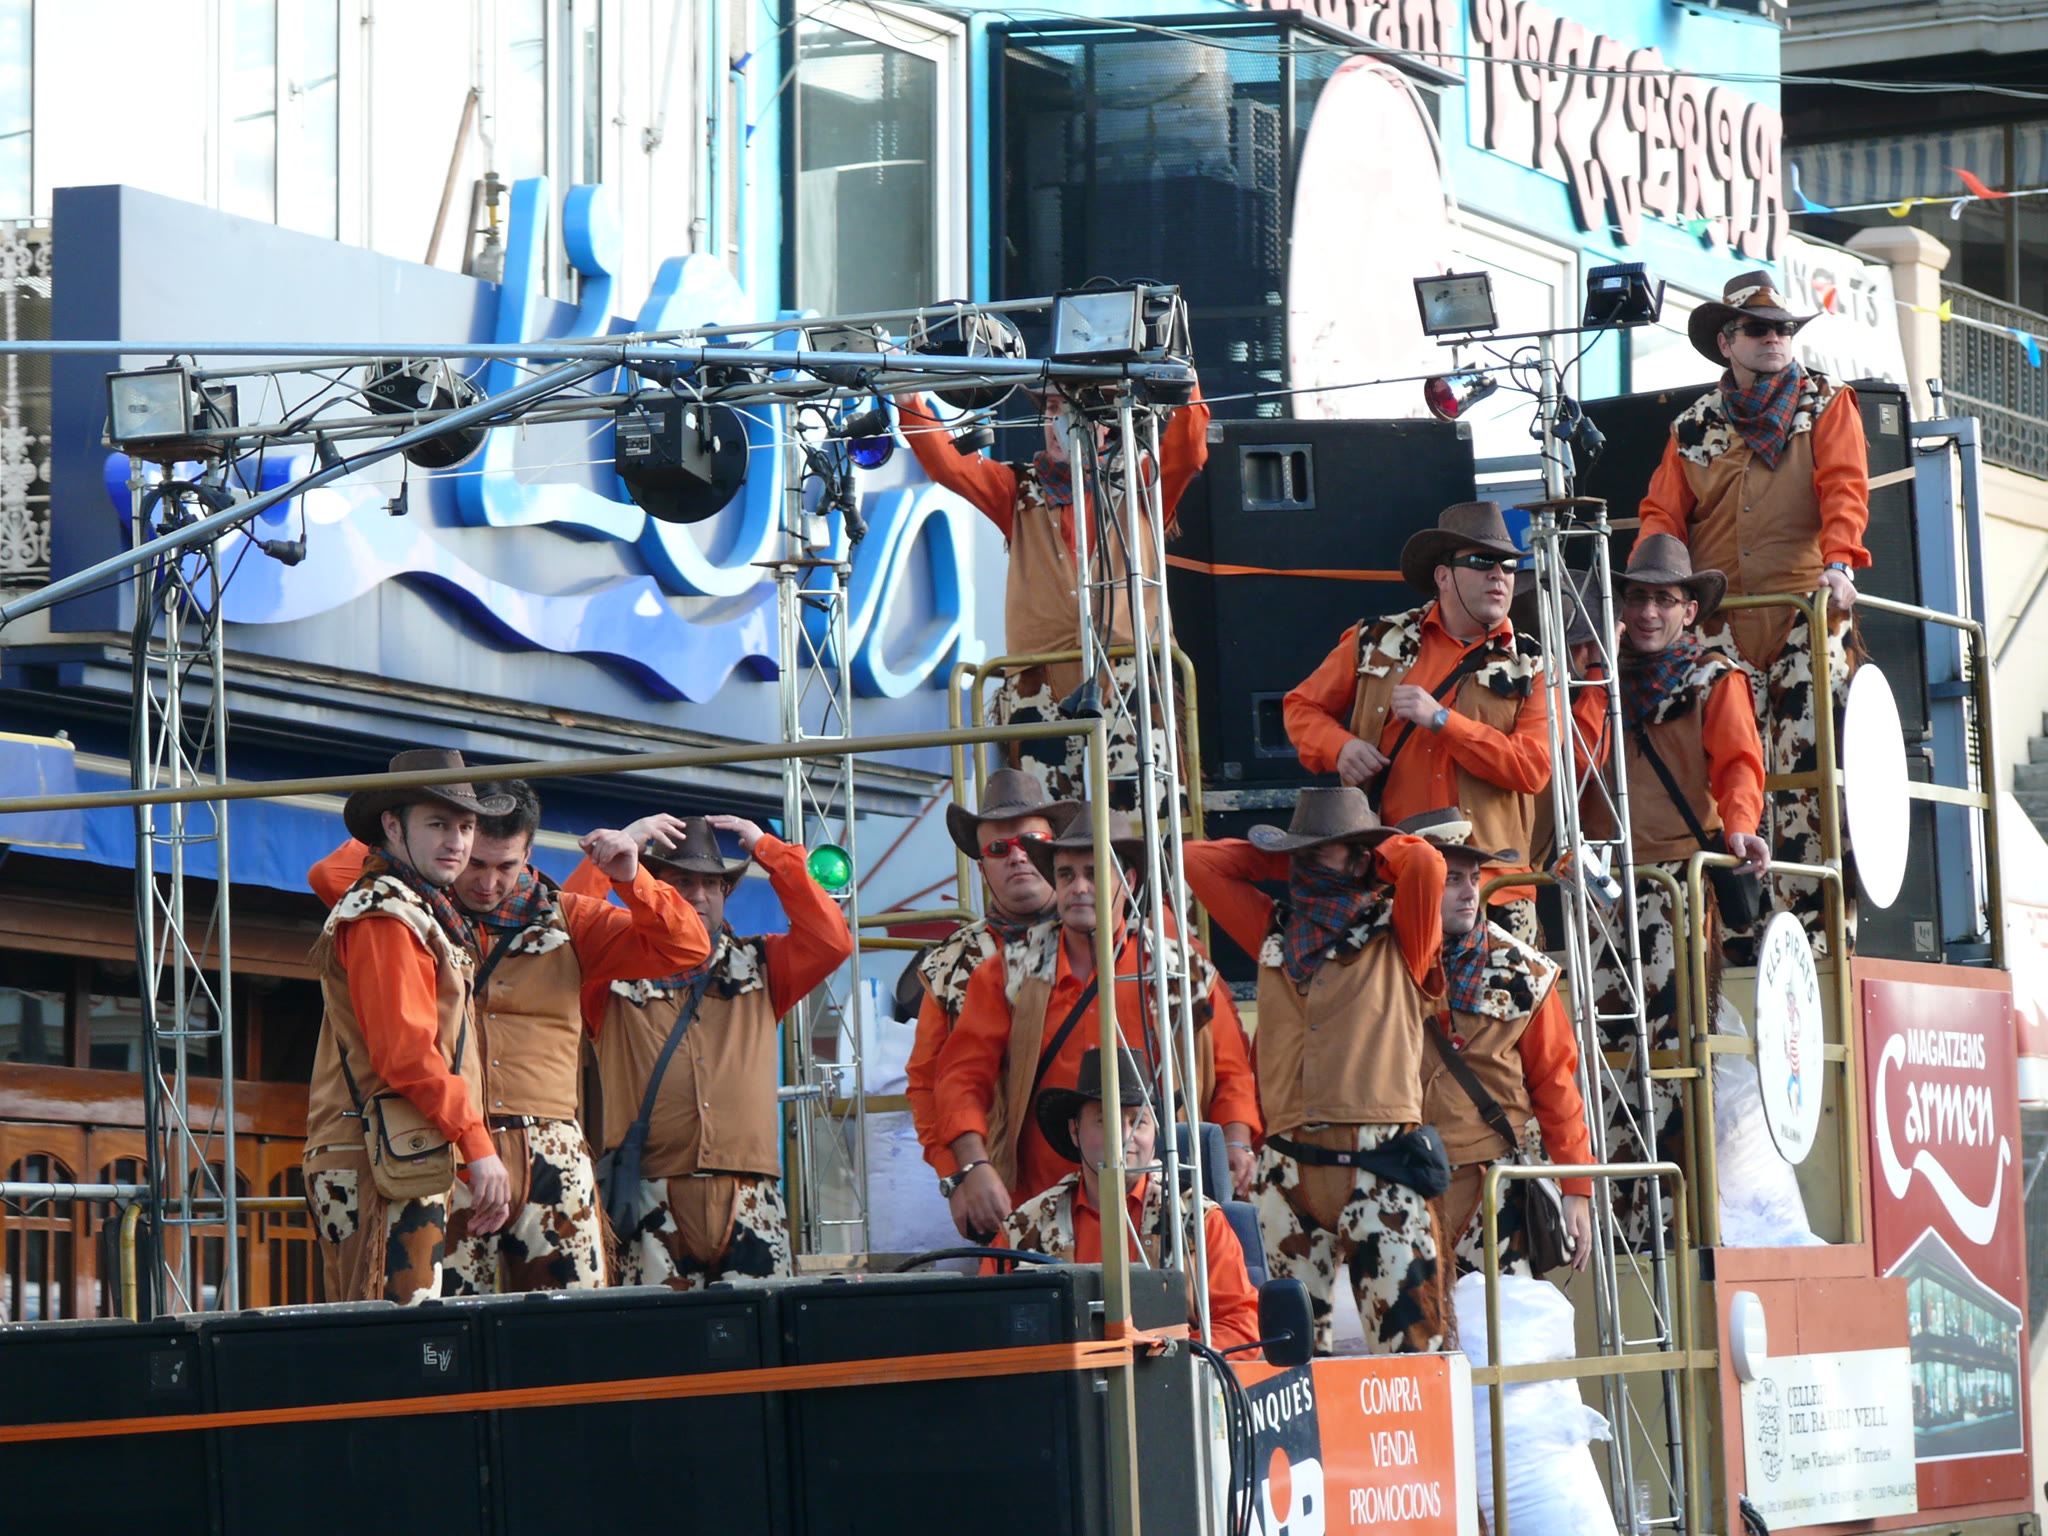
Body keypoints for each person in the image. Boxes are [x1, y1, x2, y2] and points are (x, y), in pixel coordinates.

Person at [306, 784, 709, 1295]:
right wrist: (440, 806)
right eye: (475, 861)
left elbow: (687, 947)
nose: (488, 882)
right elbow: (328, 874)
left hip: (548, 1143)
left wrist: (631, 876)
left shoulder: (569, 917)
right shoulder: (411, 907)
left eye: (506, 866)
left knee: (572, 1315)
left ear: (529, 855)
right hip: (443, 1141)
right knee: (440, 1314)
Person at [1637, 270, 1867, 959]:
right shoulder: (1691, 426)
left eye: (1783, 329)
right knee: (1730, 780)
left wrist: (1841, 564)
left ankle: (1818, 942)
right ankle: (1743, 942)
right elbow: (1661, 516)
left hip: (1806, 615)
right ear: (1727, 342)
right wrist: (1650, 595)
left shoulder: (1827, 402)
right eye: (1760, 329)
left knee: (1812, 779)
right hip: (1720, 624)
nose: (1775, 339)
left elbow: (1844, 487)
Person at [1184, 787, 1451, 1356]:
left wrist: (1377, 854)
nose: (1304, 859)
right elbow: (1195, 861)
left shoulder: (1403, 930)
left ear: (1360, 859)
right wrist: (1278, 856)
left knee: (1409, 1352)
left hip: (1381, 1166)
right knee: (1288, 1359)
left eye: (1319, 849)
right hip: (1287, 1172)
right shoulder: (1273, 929)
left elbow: (1427, 864)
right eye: (1299, 850)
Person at [932, 807, 1260, 1241]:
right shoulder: (1005, 973)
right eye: (1066, 875)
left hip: (1161, 1206)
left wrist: (1236, 1142)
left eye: (1094, 873)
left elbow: (1231, 1072)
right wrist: (972, 1167)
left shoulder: (1178, 970)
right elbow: (961, 1080)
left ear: (1129, 880)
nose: (1079, 887)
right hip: (1041, 1212)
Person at [567, 814, 853, 1289]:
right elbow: (566, 933)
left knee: (763, 1329)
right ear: (653, 889)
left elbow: (832, 941)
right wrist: (615, 855)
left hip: (750, 1195)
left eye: (711, 884)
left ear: (726, 892)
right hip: (647, 1193)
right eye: (682, 882)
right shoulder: (609, 977)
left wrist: (769, 850)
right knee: (653, 1332)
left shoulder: (763, 964)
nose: (698, 895)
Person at [1579, 535, 1769, 1242]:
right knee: (1605, 1056)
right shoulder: (1589, 679)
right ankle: (1617, 1222)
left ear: (1691, 610)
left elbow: (1740, 767)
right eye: (1637, 597)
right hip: (1599, 890)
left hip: (1676, 895)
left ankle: (1674, 1225)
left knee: (1671, 1059)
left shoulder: (1717, 680)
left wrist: (1741, 828)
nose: (1648, 612)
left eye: (1664, 599)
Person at [897, 386, 1209, 808]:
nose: (1055, 422)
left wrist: (1185, 378)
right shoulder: (1019, 488)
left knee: (1140, 816)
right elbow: (949, 466)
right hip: (1037, 682)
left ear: (1106, 424)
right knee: (1044, 820)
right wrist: (909, 400)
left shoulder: (1140, 483)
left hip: (1129, 677)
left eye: (1070, 410)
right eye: (1050, 410)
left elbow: (1189, 454)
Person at [1281, 502, 1550, 945]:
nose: (1499, 575)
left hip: (1493, 890)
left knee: (1502, 994)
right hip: (1393, 881)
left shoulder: (1533, 663)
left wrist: (1443, 721)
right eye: (1482, 562)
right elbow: (1300, 707)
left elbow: (1533, 768)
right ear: (1443, 576)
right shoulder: (1375, 640)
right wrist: (1340, 747)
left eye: (1508, 565)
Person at [302, 749, 515, 1304]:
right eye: (438, 824)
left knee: (400, 1330)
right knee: (393, 1334)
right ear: (393, 827)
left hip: (397, 1149)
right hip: (377, 1154)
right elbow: (406, 1052)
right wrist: (476, 1144)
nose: (457, 842)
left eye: (466, 827)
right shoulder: (385, 910)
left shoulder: (412, 904)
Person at [1401, 807, 1594, 1277]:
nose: (1471, 892)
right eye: (1450, 879)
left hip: (1493, 1191)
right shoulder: (1378, 963)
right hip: (1399, 1188)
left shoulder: (1524, 971)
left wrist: (1576, 1187)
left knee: (1502, 1322)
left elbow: (1556, 1083)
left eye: (1474, 877)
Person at [985, 1046, 1262, 1354]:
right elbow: (984, 1330)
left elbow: (1241, 1327)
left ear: (1155, 1132)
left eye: (1138, 1121)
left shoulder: (1197, 1218)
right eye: (1105, 1120)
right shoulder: (1022, 1229)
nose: (1124, 1136)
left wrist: (1156, 1360)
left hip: (1171, 1381)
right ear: (1075, 1131)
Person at [904, 769, 1073, 1192]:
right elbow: (927, 1083)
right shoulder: (950, 962)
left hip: (1111, 1174)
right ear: (982, 869)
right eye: (999, 848)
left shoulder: (1104, 938)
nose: (1018, 856)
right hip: (1002, 1187)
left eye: (1032, 842)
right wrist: (958, 1176)